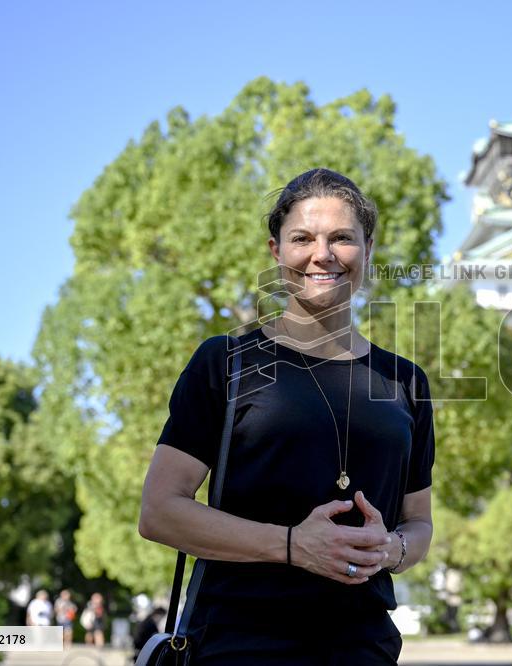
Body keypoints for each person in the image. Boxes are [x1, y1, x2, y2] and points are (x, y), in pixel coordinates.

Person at [139, 168, 436, 665]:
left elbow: (420, 524)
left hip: (365, 649)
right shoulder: (225, 362)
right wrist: (295, 545)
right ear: (276, 252)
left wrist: (389, 550)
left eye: (342, 238)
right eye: (302, 238)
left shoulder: (406, 382)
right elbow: (160, 511)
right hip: (239, 646)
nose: (323, 254)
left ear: (369, 250)